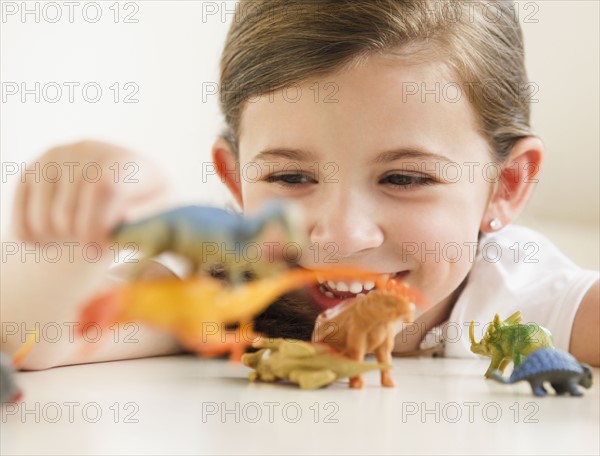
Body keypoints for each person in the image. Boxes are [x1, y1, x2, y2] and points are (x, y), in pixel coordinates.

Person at [2, 0, 598, 370]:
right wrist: (73, 241)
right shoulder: (226, 283)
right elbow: (34, 340)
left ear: (506, 185)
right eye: (290, 176)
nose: (340, 235)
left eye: (405, 177)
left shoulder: (524, 296)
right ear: (236, 180)